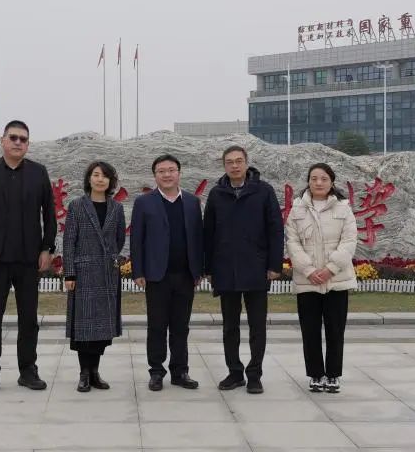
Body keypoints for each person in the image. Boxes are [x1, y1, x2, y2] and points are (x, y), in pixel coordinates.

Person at [0, 120, 56, 394]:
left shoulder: (38, 173)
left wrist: (47, 248)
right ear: (2, 141)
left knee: (29, 320)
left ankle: (28, 371)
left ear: (28, 144)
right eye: (13, 137)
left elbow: (50, 215)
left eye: (23, 139)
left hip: (29, 259)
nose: (18, 143)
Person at [203, 145, 283, 394]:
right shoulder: (217, 193)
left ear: (247, 163)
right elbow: (208, 233)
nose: (235, 166)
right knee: (230, 326)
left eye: (239, 161)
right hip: (225, 269)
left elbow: (275, 229)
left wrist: (274, 265)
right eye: (230, 162)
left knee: (257, 326)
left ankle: (255, 374)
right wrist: (208, 267)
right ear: (224, 166)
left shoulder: (263, 191)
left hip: (256, 267)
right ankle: (235, 372)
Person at [130, 154, 204, 391]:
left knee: (181, 327)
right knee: (157, 326)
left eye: (171, 170)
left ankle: (180, 371)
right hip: (156, 275)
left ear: (179, 173)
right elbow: (137, 239)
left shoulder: (192, 202)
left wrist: (198, 269)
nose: (167, 174)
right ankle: (156, 371)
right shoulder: (144, 203)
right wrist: (138, 271)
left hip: (185, 275)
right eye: (161, 171)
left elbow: (198, 237)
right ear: (155, 176)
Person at [285, 163, 358, 394]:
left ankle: (333, 374)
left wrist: (331, 268)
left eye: (324, 179)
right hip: (308, 281)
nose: (318, 183)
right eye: (314, 178)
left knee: (335, 330)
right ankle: (316, 374)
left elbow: (349, 242)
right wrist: (308, 270)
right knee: (310, 330)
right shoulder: (297, 209)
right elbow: (292, 242)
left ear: (332, 182)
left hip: (336, 280)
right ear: (308, 181)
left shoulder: (344, 208)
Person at [62, 161, 126, 392]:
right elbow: (69, 241)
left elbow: (119, 239)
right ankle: (84, 373)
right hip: (83, 273)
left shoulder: (116, 208)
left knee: (101, 329)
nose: (100, 179)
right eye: (96, 175)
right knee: (84, 328)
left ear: (111, 181)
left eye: (105, 176)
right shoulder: (77, 206)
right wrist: (69, 273)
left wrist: (111, 258)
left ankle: (95, 372)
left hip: (107, 273)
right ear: (89, 178)